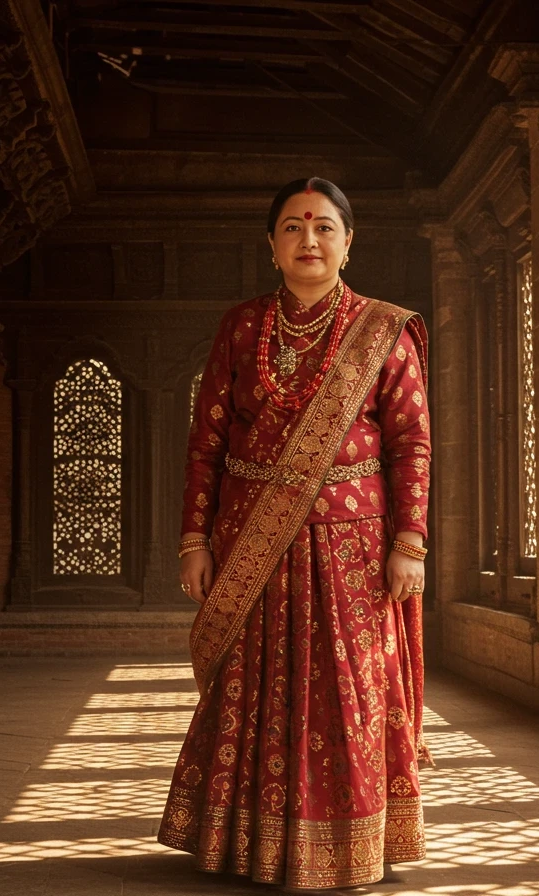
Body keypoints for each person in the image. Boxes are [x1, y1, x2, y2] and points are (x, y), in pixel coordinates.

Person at [157, 176, 432, 891]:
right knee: (253, 692)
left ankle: (349, 850)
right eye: (292, 227)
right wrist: (195, 540)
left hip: (353, 552)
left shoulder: (383, 331)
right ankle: (246, 844)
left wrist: (410, 544)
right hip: (253, 540)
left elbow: (411, 444)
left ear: (348, 242)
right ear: (271, 245)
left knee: (347, 695)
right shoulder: (242, 327)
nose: (308, 240)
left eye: (323, 227)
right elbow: (205, 443)